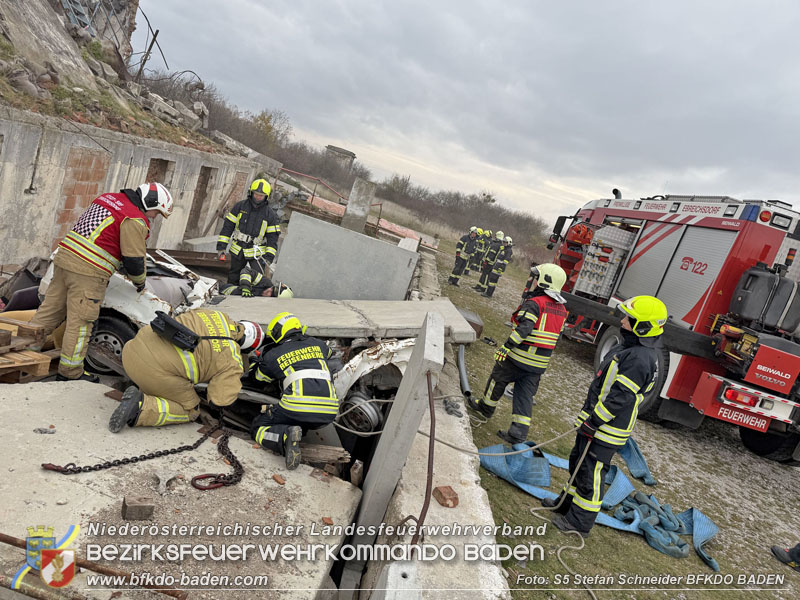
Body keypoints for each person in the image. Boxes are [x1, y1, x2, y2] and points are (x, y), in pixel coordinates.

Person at [542, 295, 668, 538]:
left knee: (591, 473)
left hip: (606, 428)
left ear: (643, 326)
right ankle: (566, 504)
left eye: (628, 319)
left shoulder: (640, 358)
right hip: (595, 422)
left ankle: (579, 523)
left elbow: (620, 398)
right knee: (578, 462)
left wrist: (595, 421)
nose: (622, 321)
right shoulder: (631, 348)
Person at [31, 183, 173, 382]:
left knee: (49, 311)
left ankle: (25, 354)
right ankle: (70, 374)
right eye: (156, 212)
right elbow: (133, 260)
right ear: (150, 202)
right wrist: (140, 282)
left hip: (64, 260)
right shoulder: (135, 218)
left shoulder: (107, 198)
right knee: (80, 323)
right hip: (88, 271)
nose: (154, 217)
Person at [109, 309, 264, 432]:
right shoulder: (233, 357)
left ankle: (144, 390)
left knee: (168, 372)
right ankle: (141, 407)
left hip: (130, 349)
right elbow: (219, 400)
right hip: (152, 372)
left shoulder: (215, 314)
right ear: (247, 346)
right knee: (190, 410)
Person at [468, 264, 569, 445]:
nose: (535, 281)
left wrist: (507, 347)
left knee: (497, 379)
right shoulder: (562, 310)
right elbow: (557, 337)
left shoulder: (535, 303)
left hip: (519, 357)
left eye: (538, 278)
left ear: (545, 281)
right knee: (524, 395)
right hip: (538, 365)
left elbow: (524, 329)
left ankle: (485, 408)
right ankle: (517, 433)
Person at [250, 312, 338, 470]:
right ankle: (294, 434)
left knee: (258, 427)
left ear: (278, 333)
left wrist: (256, 360)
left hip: (296, 406)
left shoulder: (273, 354)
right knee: (298, 420)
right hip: (330, 411)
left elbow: (258, 378)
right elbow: (329, 354)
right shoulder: (320, 344)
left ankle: (284, 436)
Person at [216, 178, 281, 287]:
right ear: (251, 192)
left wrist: (269, 258)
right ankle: (230, 297)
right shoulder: (239, 207)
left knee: (257, 280)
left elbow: (273, 238)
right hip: (238, 249)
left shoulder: (270, 215)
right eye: (256, 194)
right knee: (233, 277)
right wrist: (221, 248)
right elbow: (227, 228)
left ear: (267, 196)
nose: (258, 197)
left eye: (261, 195)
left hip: (257, 253)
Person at [219, 268, 294, 298]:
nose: (269, 290)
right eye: (273, 288)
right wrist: (245, 287)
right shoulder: (265, 283)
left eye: (272, 293)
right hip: (224, 290)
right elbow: (247, 271)